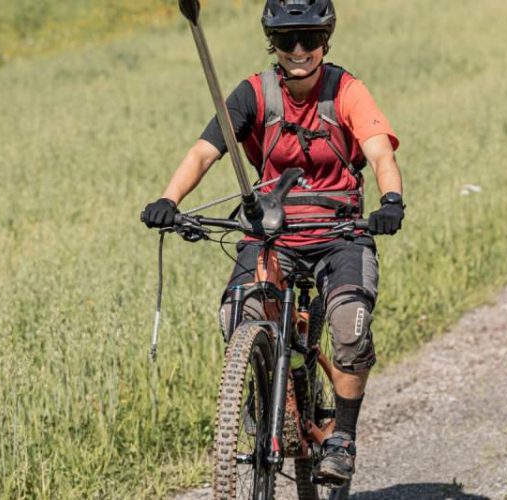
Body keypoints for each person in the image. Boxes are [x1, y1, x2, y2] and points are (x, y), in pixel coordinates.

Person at [139, 0, 403, 485]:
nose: (298, 50)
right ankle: (265, 391)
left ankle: (341, 435)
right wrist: (167, 199)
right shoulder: (253, 94)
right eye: (286, 40)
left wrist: (390, 200)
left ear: (325, 40)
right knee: (237, 312)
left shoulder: (346, 90)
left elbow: (378, 149)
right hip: (273, 229)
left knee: (348, 324)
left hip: (339, 231)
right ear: (273, 43)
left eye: (309, 38)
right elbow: (204, 152)